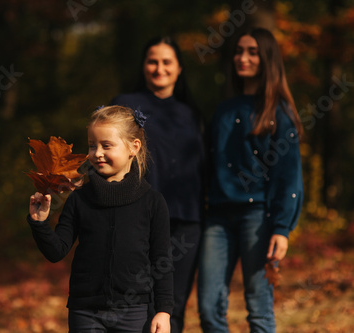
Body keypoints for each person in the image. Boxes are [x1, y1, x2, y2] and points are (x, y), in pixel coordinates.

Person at [28, 105, 173, 333]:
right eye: (92, 145)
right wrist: (39, 222)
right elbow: (56, 252)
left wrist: (164, 311)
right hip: (85, 311)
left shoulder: (152, 202)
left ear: (133, 147)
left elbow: (162, 261)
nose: (97, 153)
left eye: (106, 145)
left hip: (134, 312)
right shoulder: (79, 200)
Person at [197, 27, 304, 332]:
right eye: (238, 51)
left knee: (258, 308)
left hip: (258, 217)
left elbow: (289, 175)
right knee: (208, 308)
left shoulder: (279, 113)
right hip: (217, 218)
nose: (242, 58)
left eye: (252, 52)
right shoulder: (223, 110)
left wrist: (282, 228)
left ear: (267, 58)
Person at [111, 36, 204, 333]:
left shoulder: (192, 115)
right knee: (139, 307)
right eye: (153, 61)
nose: (159, 68)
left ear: (179, 69)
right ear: (143, 66)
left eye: (167, 62)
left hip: (186, 222)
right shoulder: (125, 106)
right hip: (141, 220)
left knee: (172, 308)